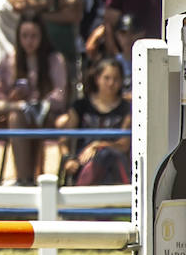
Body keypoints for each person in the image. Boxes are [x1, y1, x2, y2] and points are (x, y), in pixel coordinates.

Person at [0, 16, 67, 185]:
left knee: (17, 116)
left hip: (43, 118)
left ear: (42, 37)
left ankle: (24, 181)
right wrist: (12, 98)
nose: (29, 41)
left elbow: (60, 94)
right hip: (8, 113)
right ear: (18, 36)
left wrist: (38, 103)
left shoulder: (54, 60)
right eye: (25, 36)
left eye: (34, 36)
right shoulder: (10, 59)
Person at [56, 57, 131, 185]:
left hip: (114, 165)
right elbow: (64, 140)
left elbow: (124, 145)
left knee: (107, 155)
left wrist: (98, 145)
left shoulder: (126, 109)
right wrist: (69, 159)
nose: (111, 83)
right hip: (83, 163)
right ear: (97, 79)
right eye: (107, 78)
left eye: (116, 79)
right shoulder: (80, 106)